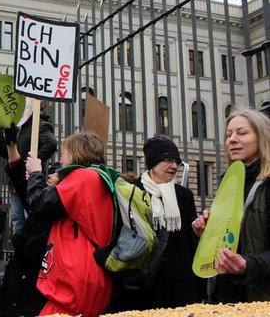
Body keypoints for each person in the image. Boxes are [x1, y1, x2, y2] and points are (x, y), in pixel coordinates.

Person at [26, 131, 113, 317]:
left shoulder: (83, 177)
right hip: (92, 273)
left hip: (74, 279)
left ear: (76, 153)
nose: (61, 160)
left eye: (64, 153)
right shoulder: (100, 177)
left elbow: (40, 203)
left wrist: (35, 173)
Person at [108, 136, 201, 311]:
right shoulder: (132, 193)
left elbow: (190, 242)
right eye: (168, 160)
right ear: (153, 161)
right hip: (141, 287)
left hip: (179, 288)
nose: (174, 166)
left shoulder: (184, 196)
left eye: (177, 161)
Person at [192, 108, 270, 302]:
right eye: (228, 135)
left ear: (262, 137)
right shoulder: (229, 183)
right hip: (224, 299)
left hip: (259, 300)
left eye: (242, 133)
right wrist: (206, 234)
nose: (232, 140)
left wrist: (248, 265)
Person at [0, 124, 59, 317]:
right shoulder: (39, 200)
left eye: (56, 173)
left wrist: (37, 173)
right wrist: (11, 143)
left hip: (38, 288)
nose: (51, 175)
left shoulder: (54, 206)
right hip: (17, 285)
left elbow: (39, 200)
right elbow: (19, 179)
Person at [10, 98, 57, 236]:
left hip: (29, 179)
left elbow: (52, 143)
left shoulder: (40, 125)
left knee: (29, 217)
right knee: (16, 219)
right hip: (16, 181)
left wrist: (34, 161)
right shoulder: (21, 127)